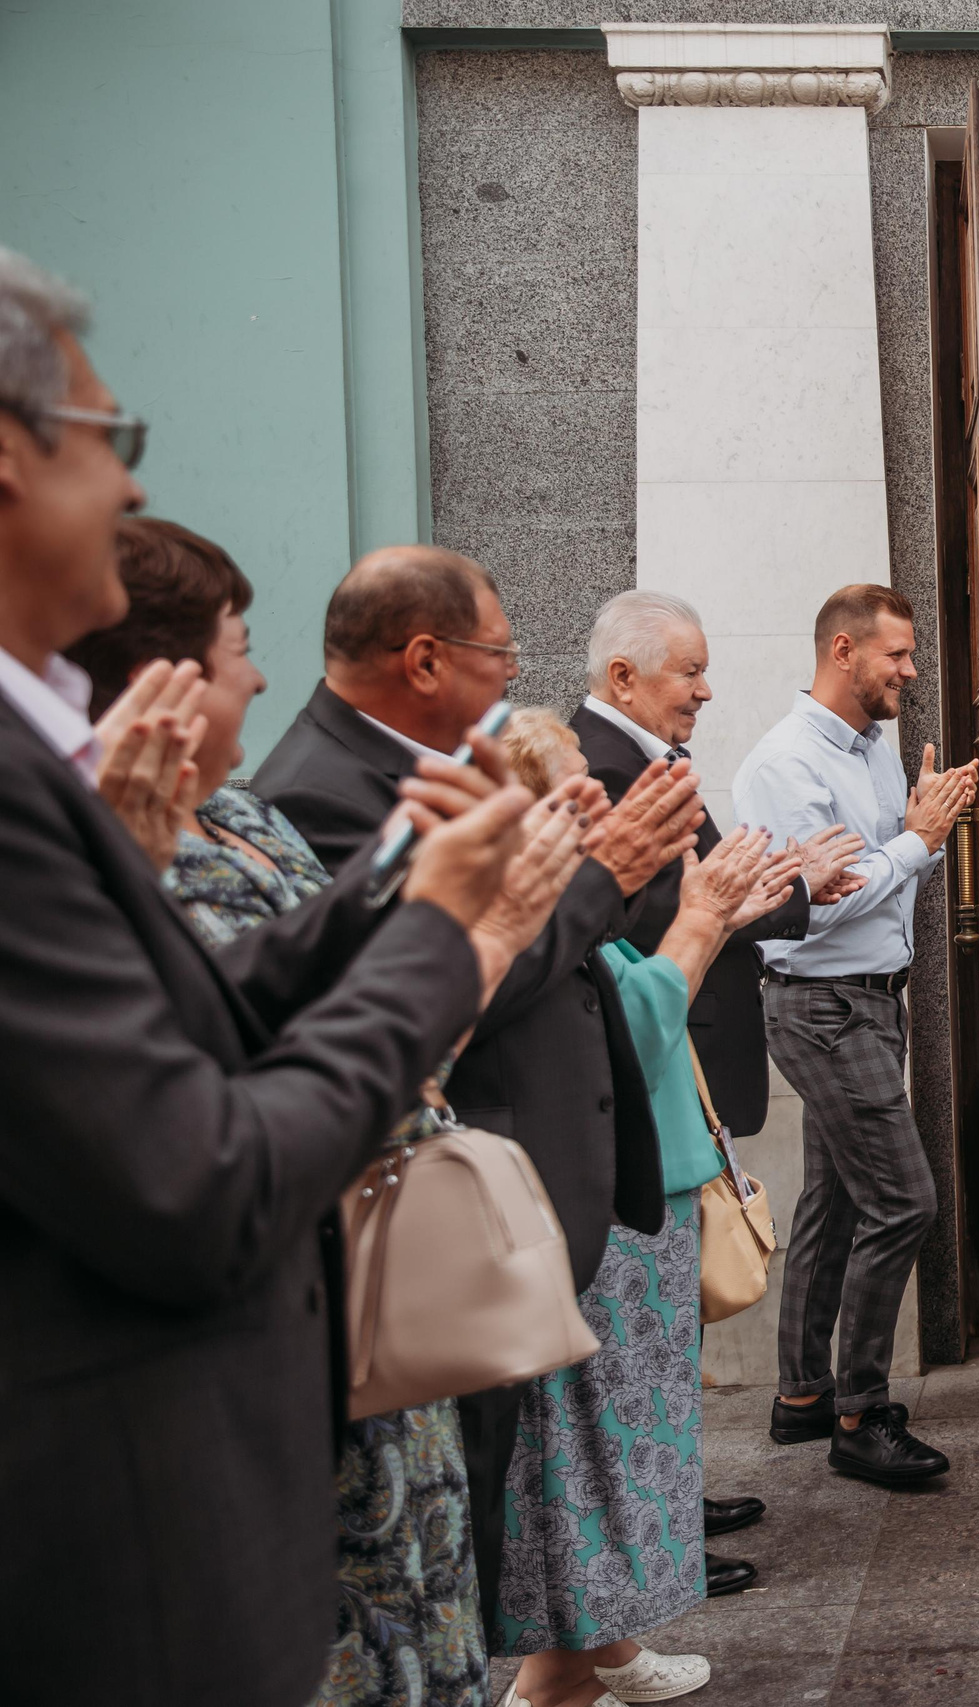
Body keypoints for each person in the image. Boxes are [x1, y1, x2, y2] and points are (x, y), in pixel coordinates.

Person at [0, 245, 534, 1703]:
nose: (128, 484)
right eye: (110, 434)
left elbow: (204, 1012)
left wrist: (395, 890)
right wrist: (445, 935)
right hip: (121, 1547)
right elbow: (204, 1178)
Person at [61, 517, 590, 1707]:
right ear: (164, 683)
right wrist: (478, 931)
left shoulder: (244, 817)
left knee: (432, 1614)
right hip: (286, 1317)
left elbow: (319, 973)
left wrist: (435, 882)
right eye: (239, 648)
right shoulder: (116, 853)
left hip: (367, 1321)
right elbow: (257, 1074)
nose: (259, 679)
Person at [251, 546, 704, 1647]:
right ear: (424, 659)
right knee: (450, 1542)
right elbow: (450, 992)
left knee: (479, 1518)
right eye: (499, 651)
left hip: (522, 1173)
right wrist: (598, 877)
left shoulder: (433, 767)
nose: (513, 673)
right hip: (433, 1211)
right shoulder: (323, 791)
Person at [494, 711, 794, 1707]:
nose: (598, 800)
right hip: (603, 1214)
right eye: (574, 786)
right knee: (600, 1457)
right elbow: (626, 1034)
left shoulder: (567, 908)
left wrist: (716, 912)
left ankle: (606, 1652)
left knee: (617, 1455)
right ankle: (557, 1680)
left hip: (635, 1198)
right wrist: (701, 921)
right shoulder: (531, 912)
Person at [569, 589, 865, 1582]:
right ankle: (658, 1529)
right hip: (647, 1059)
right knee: (643, 1324)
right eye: (689, 671)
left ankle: (674, 1499)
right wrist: (781, 888)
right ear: (623, 677)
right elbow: (659, 913)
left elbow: (707, 891)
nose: (704, 690)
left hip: (681, 1055)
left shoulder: (648, 759)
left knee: (670, 1314)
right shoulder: (597, 768)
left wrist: (787, 884)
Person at [734, 582, 977, 1485]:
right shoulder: (784, 765)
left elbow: (881, 873)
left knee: (836, 1200)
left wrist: (923, 831)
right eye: (897, 654)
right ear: (843, 651)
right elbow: (814, 910)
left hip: (874, 1001)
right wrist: (914, 840)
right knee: (905, 1201)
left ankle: (802, 1393)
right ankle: (861, 1413)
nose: (911, 670)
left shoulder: (874, 745)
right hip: (823, 1005)